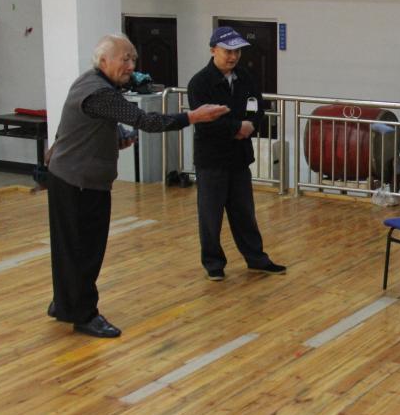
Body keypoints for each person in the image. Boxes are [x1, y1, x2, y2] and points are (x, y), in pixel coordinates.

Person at [47, 35, 230, 338]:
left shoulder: (90, 83)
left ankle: (65, 303)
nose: (131, 65)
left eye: (133, 58)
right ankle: (83, 314)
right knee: (85, 249)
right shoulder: (99, 91)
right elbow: (147, 121)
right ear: (104, 61)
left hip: (68, 176)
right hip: (78, 181)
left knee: (69, 246)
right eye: (125, 59)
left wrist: (117, 136)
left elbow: (91, 123)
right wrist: (193, 116)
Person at [187, 26, 286, 281]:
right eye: (228, 51)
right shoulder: (199, 83)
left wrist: (250, 126)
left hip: (239, 157)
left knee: (244, 213)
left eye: (237, 52)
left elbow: (258, 108)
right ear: (213, 50)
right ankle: (213, 264)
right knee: (211, 216)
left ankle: (256, 258)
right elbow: (204, 122)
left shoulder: (245, 77)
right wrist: (236, 128)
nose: (233, 57)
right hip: (212, 160)